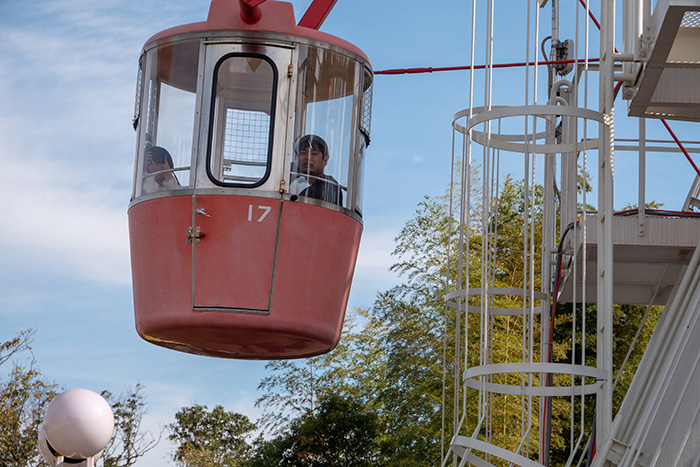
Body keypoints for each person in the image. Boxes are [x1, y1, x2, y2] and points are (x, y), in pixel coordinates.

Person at [290, 134, 343, 205]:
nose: (308, 157)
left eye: (314, 153)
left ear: (325, 160)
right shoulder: (286, 175)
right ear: (297, 158)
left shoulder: (330, 185)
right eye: (303, 153)